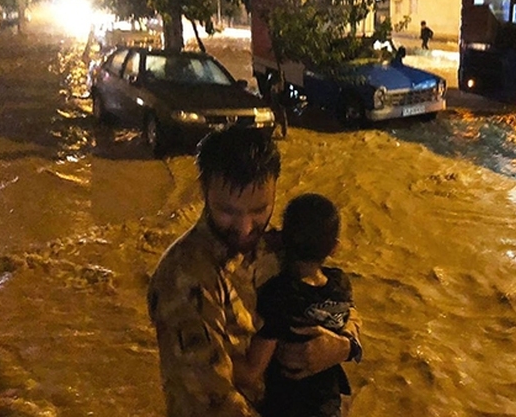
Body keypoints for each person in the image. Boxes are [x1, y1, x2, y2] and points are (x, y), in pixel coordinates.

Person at [147, 127, 362, 417]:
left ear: (275, 189)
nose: (245, 228)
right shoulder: (184, 280)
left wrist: (343, 346)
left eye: (259, 209)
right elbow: (212, 402)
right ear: (203, 189)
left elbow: (336, 298)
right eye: (228, 211)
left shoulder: (277, 248)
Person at [234, 193, 358, 417]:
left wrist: (209, 357)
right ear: (334, 248)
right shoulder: (341, 285)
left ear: (282, 238)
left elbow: (252, 371)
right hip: (329, 405)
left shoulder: (279, 294)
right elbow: (351, 318)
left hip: (287, 407)